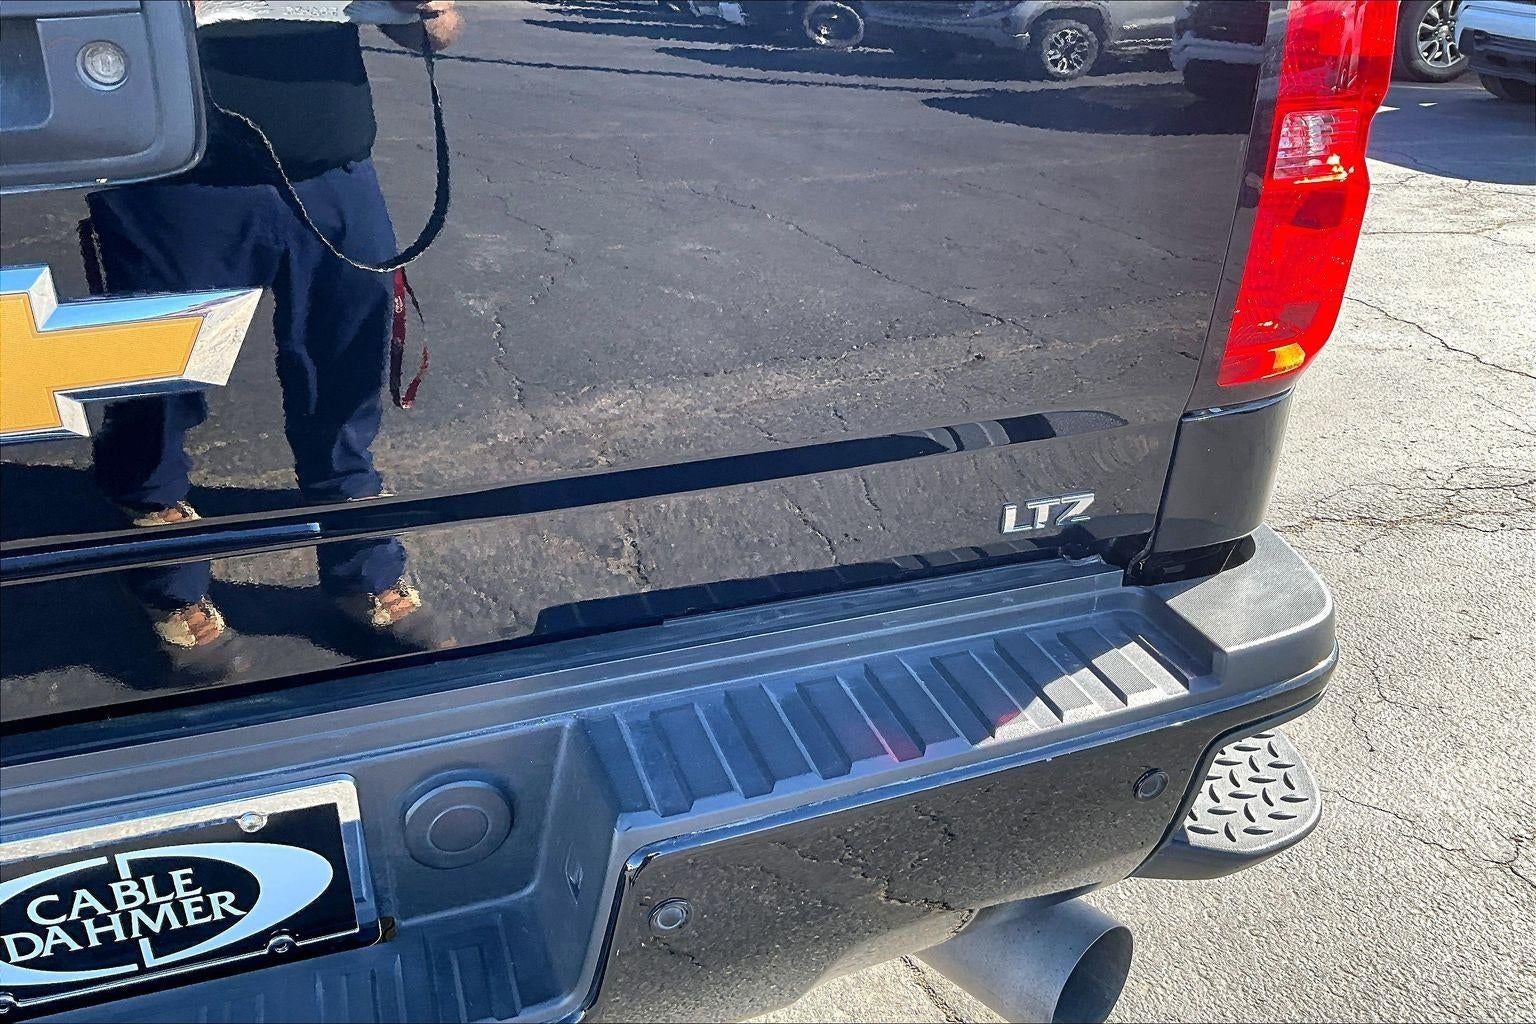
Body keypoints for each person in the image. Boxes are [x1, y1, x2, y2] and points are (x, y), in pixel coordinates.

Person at [87, 0, 463, 673]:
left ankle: (362, 568)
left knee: (344, 382)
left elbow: (430, 31)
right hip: (173, 182)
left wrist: (428, 13)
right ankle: (166, 576)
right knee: (159, 393)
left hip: (334, 172)